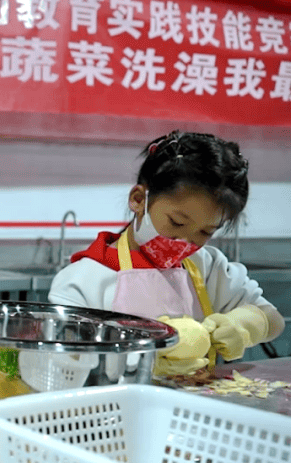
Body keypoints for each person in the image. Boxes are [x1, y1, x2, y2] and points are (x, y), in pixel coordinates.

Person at [49, 131, 284, 378]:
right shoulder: (84, 280)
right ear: (139, 200)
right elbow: (62, 369)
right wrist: (147, 359)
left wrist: (247, 326)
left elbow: (273, 319)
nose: (185, 242)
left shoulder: (206, 266)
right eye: (177, 223)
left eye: (205, 231)